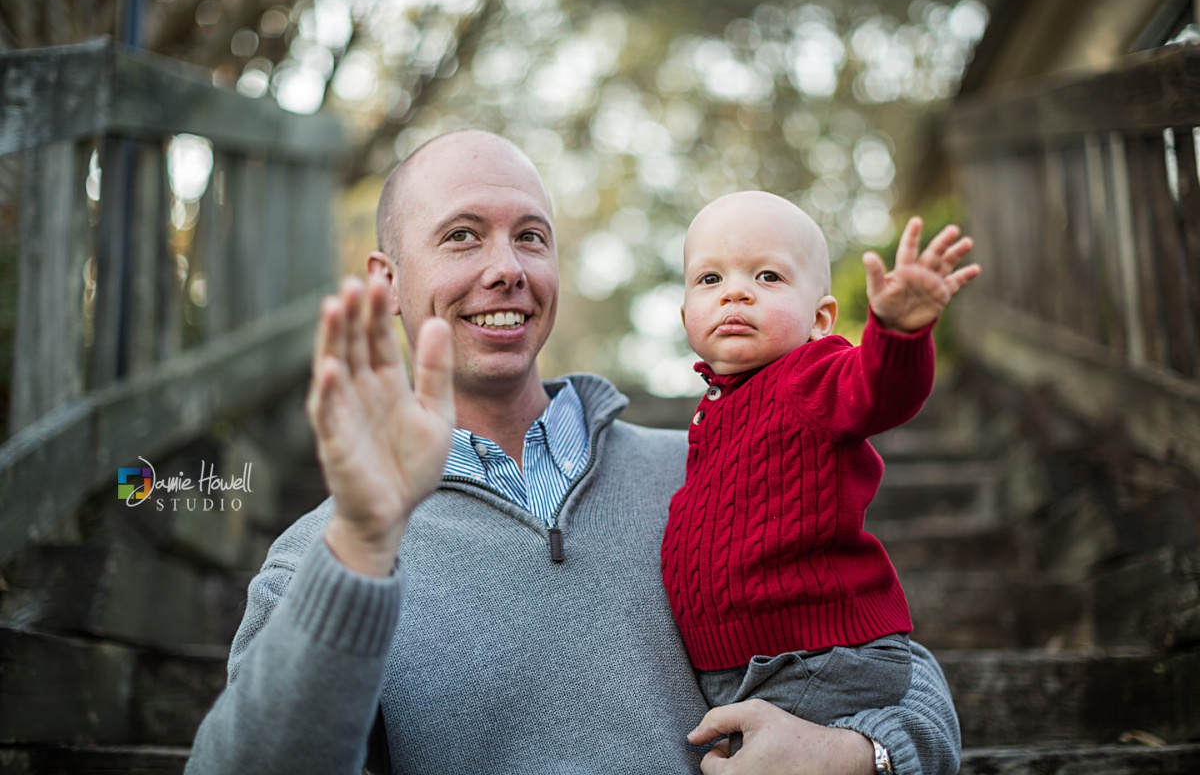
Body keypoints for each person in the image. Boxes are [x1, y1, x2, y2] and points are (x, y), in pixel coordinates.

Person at [185, 131, 962, 775]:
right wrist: (361, 542)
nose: (507, 269)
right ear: (387, 280)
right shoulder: (326, 556)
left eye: (531, 237)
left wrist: (857, 755)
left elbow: (904, 678)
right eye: (462, 236)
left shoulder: (715, 465)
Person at [660, 192, 979, 757]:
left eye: (767, 276)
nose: (735, 291)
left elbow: (878, 391)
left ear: (821, 319)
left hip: (819, 657)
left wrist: (898, 333)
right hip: (753, 668)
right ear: (687, 316)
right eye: (710, 279)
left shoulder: (808, 377)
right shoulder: (713, 414)